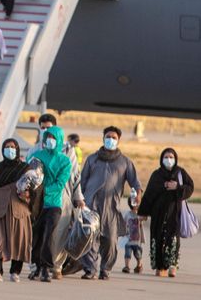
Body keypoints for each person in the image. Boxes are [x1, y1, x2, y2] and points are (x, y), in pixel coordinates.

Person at [79, 126, 142, 280]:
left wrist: (137, 195)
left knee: (110, 240)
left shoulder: (125, 162)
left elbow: (135, 183)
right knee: (90, 238)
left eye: (114, 138)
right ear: (103, 138)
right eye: (108, 137)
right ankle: (90, 269)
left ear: (118, 140)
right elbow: (82, 181)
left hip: (111, 208)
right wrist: (80, 200)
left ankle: (105, 269)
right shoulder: (92, 159)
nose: (110, 140)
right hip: (91, 206)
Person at [30, 114, 84, 280]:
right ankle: (36, 266)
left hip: (61, 199)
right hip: (37, 201)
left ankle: (56, 266)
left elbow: (75, 176)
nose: (46, 133)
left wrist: (78, 197)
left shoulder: (68, 152)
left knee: (57, 234)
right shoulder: (35, 151)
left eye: (49, 128)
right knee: (37, 235)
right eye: (43, 129)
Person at [137, 148, 194, 278]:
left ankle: (173, 266)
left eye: (171, 157)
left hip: (174, 213)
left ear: (175, 159)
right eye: (166, 157)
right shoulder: (156, 175)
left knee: (173, 239)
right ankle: (160, 266)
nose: (169, 160)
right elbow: (149, 194)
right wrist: (143, 213)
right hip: (158, 214)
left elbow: (190, 187)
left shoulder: (180, 173)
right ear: (162, 159)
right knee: (157, 238)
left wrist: (177, 187)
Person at [0, 138, 31, 282]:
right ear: (3, 150)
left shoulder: (25, 168)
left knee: (19, 239)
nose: (10, 150)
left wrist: (28, 196)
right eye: (7, 147)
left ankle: (15, 272)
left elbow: (33, 189)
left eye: (13, 147)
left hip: (19, 207)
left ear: (17, 149)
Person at [27, 126, 71, 283]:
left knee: (49, 235)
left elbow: (60, 183)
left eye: (53, 138)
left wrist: (42, 191)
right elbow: (29, 173)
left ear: (59, 140)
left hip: (53, 205)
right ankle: (36, 267)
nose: (50, 140)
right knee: (35, 236)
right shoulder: (37, 156)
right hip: (36, 205)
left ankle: (46, 267)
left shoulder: (64, 161)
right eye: (48, 137)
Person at [122, 197, 145, 274]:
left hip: (137, 240)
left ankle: (139, 265)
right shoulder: (127, 214)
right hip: (128, 239)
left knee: (138, 254)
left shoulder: (139, 214)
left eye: (138, 203)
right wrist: (123, 231)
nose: (137, 205)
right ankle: (127, 266)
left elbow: (144, 218)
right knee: (127, 254)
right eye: (136, 203)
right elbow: (123, 222)